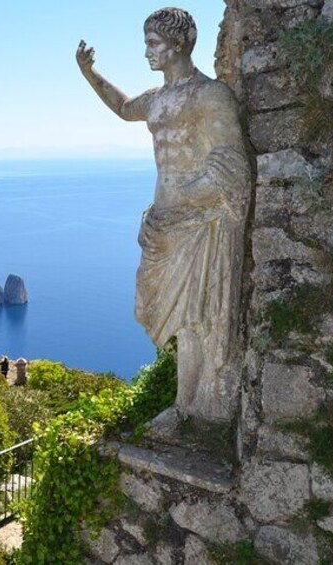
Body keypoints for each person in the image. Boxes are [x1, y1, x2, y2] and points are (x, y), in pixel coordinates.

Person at [77, 8, 250, 422]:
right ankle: (184, 401)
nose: (147, 53)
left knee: (196, 316)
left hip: (201, 223)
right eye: (146, 44)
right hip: (164, 225)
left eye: (153, 44)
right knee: (172, 314)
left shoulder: (211, 95)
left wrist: (192, 194)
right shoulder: (157, 100)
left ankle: (192, 407)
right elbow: (122, 107)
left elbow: (231, 162)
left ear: (179, 45)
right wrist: (88, 73)